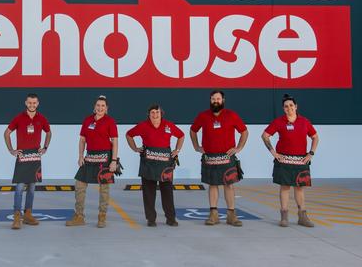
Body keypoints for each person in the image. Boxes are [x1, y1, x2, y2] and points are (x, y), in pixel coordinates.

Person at [190, 90, 248, 227]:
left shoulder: (232, 115)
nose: (216, 101)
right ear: (210, 100)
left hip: (227, 158)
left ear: (223, 100)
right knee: (213, 185)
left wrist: (239, 148)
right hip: (210, 157)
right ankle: (213, 215)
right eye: (213, 99)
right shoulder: (203, 116)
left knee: (229, 185)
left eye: (218, 98)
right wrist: (196, 146)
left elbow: (244, 131)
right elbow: (193, 130)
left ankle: (231, 215)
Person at [262, 94, 319, 227]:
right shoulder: (278, 121)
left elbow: (315, 137)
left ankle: (302, 217)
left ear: (296, 106)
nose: (289, 108)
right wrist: (273, 152)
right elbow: (265, 136)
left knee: (299, 189)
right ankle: (284, 217)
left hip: (300, 161)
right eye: (286, 106)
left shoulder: (304, 122)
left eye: (291, 106)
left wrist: (311, 153)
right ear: (283, 108)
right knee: (285, 187)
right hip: (284, 161)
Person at [126, 104, 184, 227]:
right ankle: (151, 219)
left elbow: (181, 135)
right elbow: (129, 135)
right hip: (148, 163)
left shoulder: (168, 125)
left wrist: (177, 150)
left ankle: (171, 218)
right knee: (148, 192)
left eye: (157, 112)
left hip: (165, 163)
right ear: (149, 114)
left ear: (161, 113)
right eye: (152, 112)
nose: (155, 115)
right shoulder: (143, 125)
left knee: (167, 191)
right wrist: (135, 148)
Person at [65, 95, 118, 228]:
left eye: (103, 106)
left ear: (106, 109)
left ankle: (102, 216)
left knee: (104, 190)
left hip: (105, 158)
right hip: (89, 158)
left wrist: (114, 161)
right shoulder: (87, 120)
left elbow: (115, 142)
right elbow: (82, 140)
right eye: (98, 105)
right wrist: (80, 156)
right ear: (94, 107)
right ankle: (79, 216)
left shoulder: (110, 121)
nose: (100, 108)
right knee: (79, 185)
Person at [4, 93, 52, 229]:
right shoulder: (19, 118)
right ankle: (17, 216)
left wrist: (45, 147)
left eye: (34, 103)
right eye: (30, 103)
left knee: (31, 188)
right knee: (19, 187)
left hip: (35, 157)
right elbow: (6, 133)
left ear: (38, 104)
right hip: (22, 156)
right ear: (26, 103)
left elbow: (48, 132)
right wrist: (11, 150)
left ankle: (28, 214)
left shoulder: (41, 118)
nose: (32, 105)